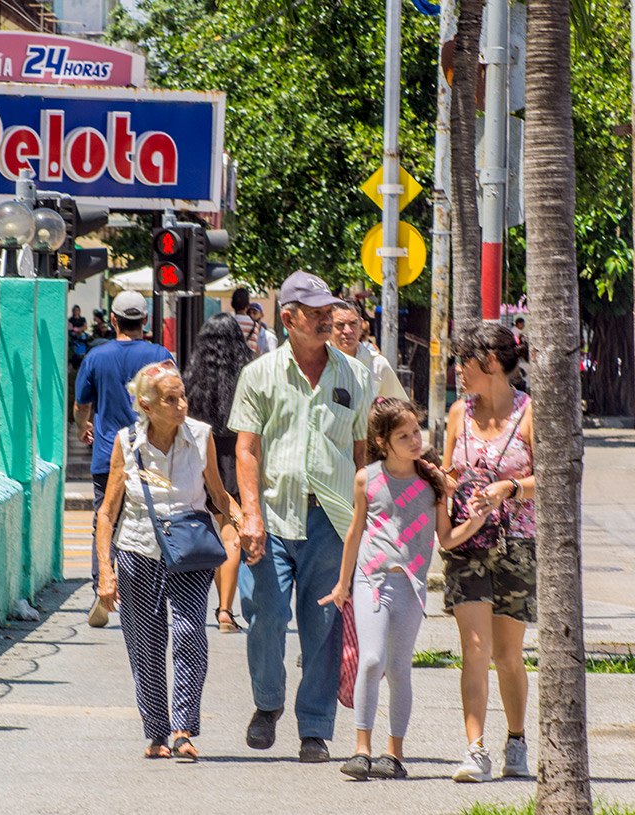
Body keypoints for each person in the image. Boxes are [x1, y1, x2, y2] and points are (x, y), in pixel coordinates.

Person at [228, 270, 373, 763]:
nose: (327, 320)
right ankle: (268, 703)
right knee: (263, 614)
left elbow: (361, 452)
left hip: (332, 519)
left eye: (329, 311)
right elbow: (246, 450)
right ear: (287, 319)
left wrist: (367, 520)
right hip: (271, 515)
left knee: (324, 624)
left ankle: (314, 726)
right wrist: (250, 515)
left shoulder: (353, 374)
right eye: (314, 314)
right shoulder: (260, 374)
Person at [319, 398, 489, 781]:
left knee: (398, 669)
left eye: (416, 432)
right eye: (404, 435)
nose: (415, 440)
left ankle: (393, 753)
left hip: (410, 586)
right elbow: (355, 532)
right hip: (370, 581)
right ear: (382, 441)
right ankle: (361, 748)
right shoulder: (367, 478)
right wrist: (343, 583)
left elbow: (445, 538)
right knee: (372, 659)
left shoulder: (433, 482)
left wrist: (476, 521)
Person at [94, 362, 242, 760]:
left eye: (183, 397)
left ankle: (182, 729)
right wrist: (105, 573)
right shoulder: (127, 443)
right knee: (146, 644)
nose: (181, 405)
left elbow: (218, 493)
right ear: (146, 404)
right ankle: (157, 733)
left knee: (190, 631)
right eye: (171, 399)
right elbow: (108, 511)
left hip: (191, 550)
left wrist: (243, 523)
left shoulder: (200, 436)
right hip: (138, 550)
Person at [440, 323, 537, 783]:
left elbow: (554, 476)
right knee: (473, 650)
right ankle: (474, 750)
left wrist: (510, 488)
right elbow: (445, 475)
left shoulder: (530, 413)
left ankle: (516, 739)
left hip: (516, 545)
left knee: (507, 654)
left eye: (466, 363)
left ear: (492, 364)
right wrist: (448, 491)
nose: (459, 371)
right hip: (467, 545)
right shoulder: (459, 413)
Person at [73, 292, 174, 628]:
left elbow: (81, 404)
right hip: (151, 454)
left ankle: (103, 590)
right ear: (145, 322)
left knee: (106, 520)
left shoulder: (96, 356)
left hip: (107, 454)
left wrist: (81, 428)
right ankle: (150, 593)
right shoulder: (160, 355)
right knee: (155, 519)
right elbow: (173, 398)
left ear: (113, 320)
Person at [182, 312, 253, 633]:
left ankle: (196, 604)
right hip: (237, 458)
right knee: (231, 534)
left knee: (207, 529)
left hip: (201, 459)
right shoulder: (249, 373)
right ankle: (225, 610)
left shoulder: (193, 375)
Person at [330, 300, 407, 401]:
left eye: (353, 323)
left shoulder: (377, 365)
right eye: (340, 325)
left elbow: (400, 408)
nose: (348, 330)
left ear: (361, 324)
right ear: (328, 325)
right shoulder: (314, 361)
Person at [231, 286, 268, 356]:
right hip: (248, 363)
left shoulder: (228, 323)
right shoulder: (254, 326)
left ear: (232, 304)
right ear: (247, 306)